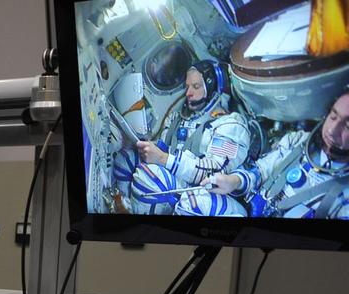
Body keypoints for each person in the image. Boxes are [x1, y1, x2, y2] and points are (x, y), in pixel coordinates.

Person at [204, 89, 349, 219]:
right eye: (333, 116)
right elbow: (262, 169)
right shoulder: (298, 141)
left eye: (347, 125)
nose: (332, 130)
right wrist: (234, 181)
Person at [133, 61, 251, 213]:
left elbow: (214, 173)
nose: (188, 93)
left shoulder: (230, 125)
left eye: (196, 87)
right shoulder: (177, 118)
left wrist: (163, 158)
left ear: (212, 88)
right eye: (187, 87)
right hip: (182, 185)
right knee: (129, 157)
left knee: (149, 178)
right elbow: (163, 148)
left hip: (210, 197)